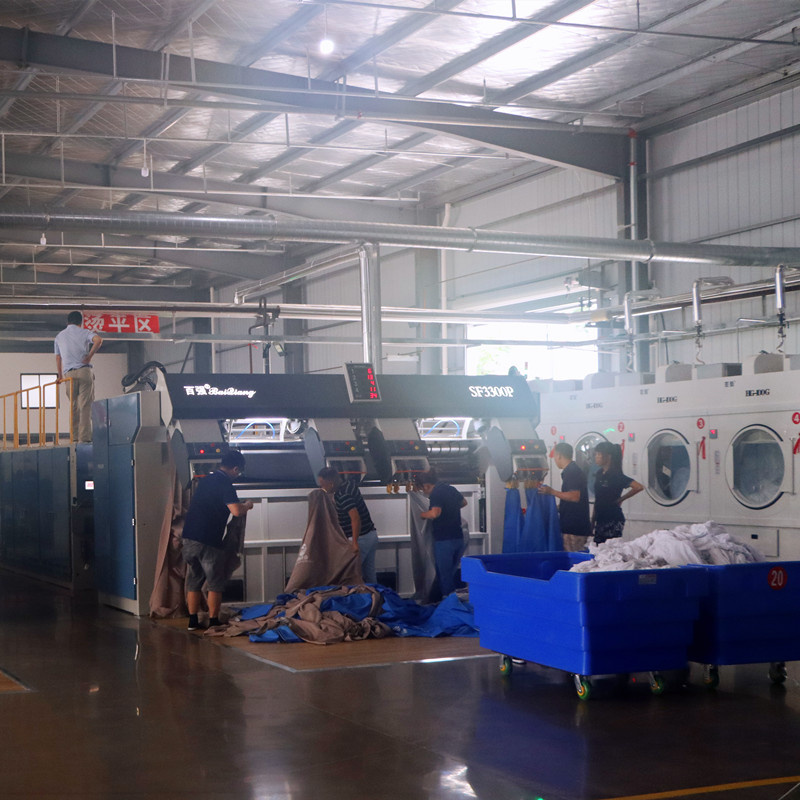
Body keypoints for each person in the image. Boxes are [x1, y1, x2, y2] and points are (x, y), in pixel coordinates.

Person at [182, 449, 253, 630]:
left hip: (189, 537)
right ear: (235, 469)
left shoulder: (206, 480)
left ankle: (192, 621)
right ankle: (213, 621)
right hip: (208, 539)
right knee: (215, 583)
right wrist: (247, 505)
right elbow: (236, 511)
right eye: (239, 472)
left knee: (194, 580)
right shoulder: (225, 483)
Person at [317, 467, 379, 584]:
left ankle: (354, 595)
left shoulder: (342, 495)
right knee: (369, 574)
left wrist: (354, 542)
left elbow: (355, 518)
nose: (322, 487)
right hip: (371, 534)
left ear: (331, 483)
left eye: (323, 484)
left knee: (349, 573)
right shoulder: (349, 484)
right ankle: (374, 594)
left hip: (360, 538)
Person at [54, 311, 102, 443]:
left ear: (67, 322)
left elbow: (58, 357)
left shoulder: (59, 336)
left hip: (69, 375)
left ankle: (74, 437)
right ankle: (84, 438)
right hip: (84, 371)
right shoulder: (85, 332)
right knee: (85, 405)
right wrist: (89, 356)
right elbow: (98, 340)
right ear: (81, 322)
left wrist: (60, 376)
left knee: (73, 406)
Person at [419, 470, 468, 600]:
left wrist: (422, 515)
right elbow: (464, 502)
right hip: (458, 538)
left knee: (444, 574)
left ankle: (448, 602)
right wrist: (450, 509)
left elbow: (435, 513)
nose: (424, 492)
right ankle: (450, 600)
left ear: (426, 485)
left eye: (423, 489)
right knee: (450, 572)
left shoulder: (436, 493)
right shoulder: (450, 489)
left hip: (444, 540)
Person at [539, 442, 592, 552]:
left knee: (573, 558)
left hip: (574, 528)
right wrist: (558, 508)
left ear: (558, 456)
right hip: (574, 526)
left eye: (554, 457)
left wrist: (551, 491)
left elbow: (575, 496)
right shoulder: (572, 470)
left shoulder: (572, 472)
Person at [591, 441, 643, 545]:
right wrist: (592, 521)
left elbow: (638, 487)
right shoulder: (599, 474)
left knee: (610, 547)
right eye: (596, 454)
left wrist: (620, 499)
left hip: (613, 518)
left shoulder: (616, 475)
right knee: (599, 547)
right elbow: (598, 498)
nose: (596, 457)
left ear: (608, 456)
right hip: (600, 517)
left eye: (599, 454)